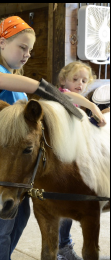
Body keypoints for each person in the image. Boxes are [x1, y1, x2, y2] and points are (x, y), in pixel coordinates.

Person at [0, 16, 106, 260]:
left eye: (30, 50)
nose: (27, 54)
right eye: (22, 47)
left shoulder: (15, 81)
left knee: (19, 218)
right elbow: (12, 84)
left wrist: (82, 103)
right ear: (1, 43)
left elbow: (48, 101)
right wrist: (51, 91)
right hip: (0, 164)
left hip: (18, 167)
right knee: (0, 227)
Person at [57, 60, 106, 260]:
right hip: (61, 163)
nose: (80, 83)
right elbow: (68, 96)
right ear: (64, 81)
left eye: (84, 80)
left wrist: (98, 116)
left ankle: (64, 245)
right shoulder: (61, 96)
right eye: (75, 79)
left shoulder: (80, 104)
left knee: (70, 210)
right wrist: (92, 105)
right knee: (62, 210)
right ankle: (62, 246)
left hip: (76, 162)